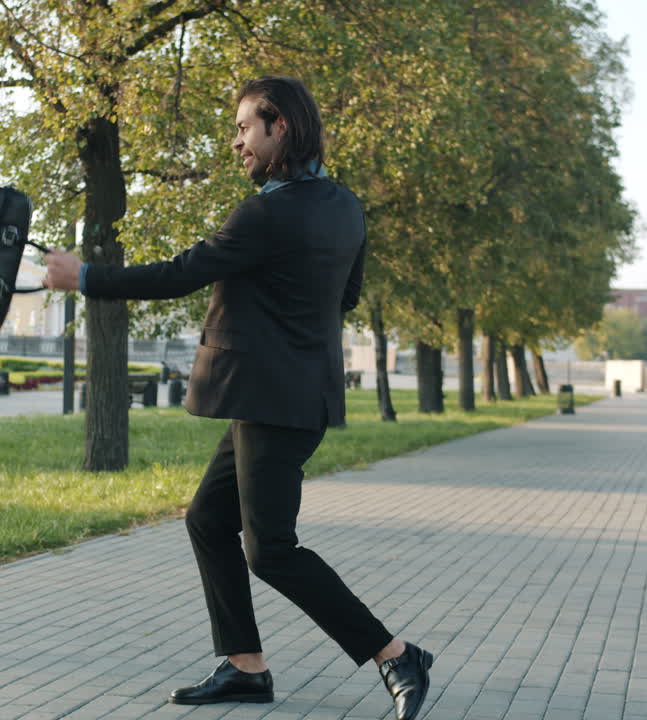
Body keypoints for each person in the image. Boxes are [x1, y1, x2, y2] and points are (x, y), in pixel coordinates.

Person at [43, 75, 433, 720]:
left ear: (280, 125)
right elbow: (348, 295)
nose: (236, 144)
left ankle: (395, 654)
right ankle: (246, 667)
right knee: (207, 520)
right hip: (296, 396)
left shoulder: (268, 211)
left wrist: (82, 275)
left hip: (273, 400)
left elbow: (181, 273)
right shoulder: (344, 205)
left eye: (245, 128)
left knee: (271, 549)